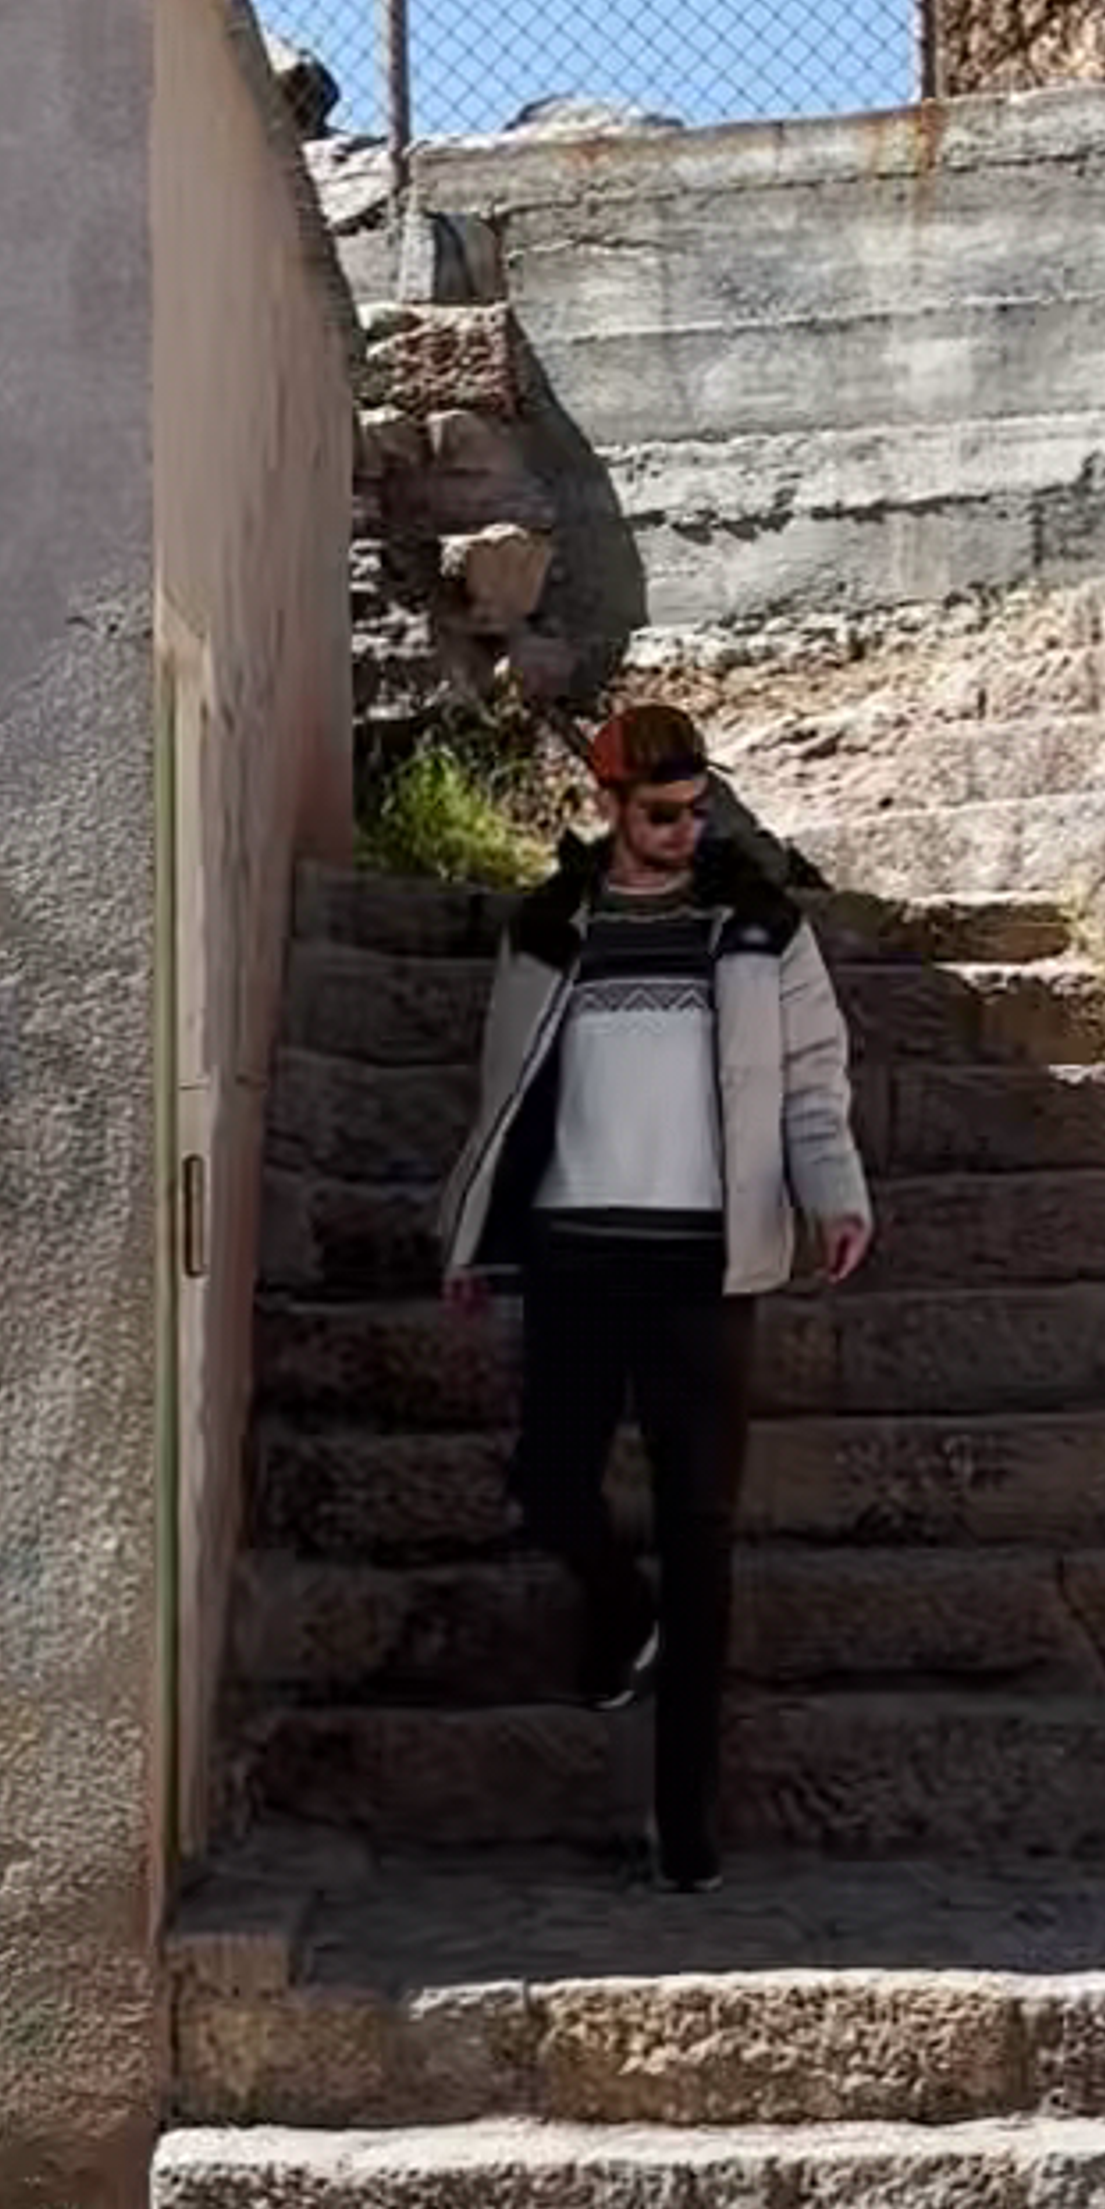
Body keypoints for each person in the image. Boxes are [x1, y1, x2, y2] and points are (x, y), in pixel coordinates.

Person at [437, 702, 872, 1891]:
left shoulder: (761, 930)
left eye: (698, 809)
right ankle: (619, 1610)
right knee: (548, 1485)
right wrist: (475, 1243)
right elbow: (502, 1107)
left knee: (703, 1537)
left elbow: (812, 1084)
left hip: (703, 1271)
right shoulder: (544, 932)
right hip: (577, 1259)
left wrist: (835, 1197)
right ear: (609, 807)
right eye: (662, 813)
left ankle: (686, 1825)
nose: (687, 830)